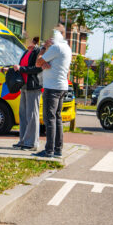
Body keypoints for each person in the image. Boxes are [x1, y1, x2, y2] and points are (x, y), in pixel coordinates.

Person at [35, 24, 72, 159]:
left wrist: (44, 48)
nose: (50, 38)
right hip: (62, 86)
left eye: (52, 34)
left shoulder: (55, 48)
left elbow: (37, 62)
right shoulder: (67, 48)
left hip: (52, 87)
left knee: (49, 118)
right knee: (57, 118)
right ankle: (58, 149)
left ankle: (49, 151)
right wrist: (44, 63)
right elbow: (45, 63)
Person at [10, 36, 42, 151]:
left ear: (33, 39)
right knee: (23, 114)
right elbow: (22, 67)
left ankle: (32, 143)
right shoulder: (26, 52)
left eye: (26, 37)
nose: (24, 39)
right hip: (23, 86)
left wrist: (21, 69)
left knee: (32, 115)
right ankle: (23, 140)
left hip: (33, 86)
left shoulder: (37, 51)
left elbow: (38, 68)